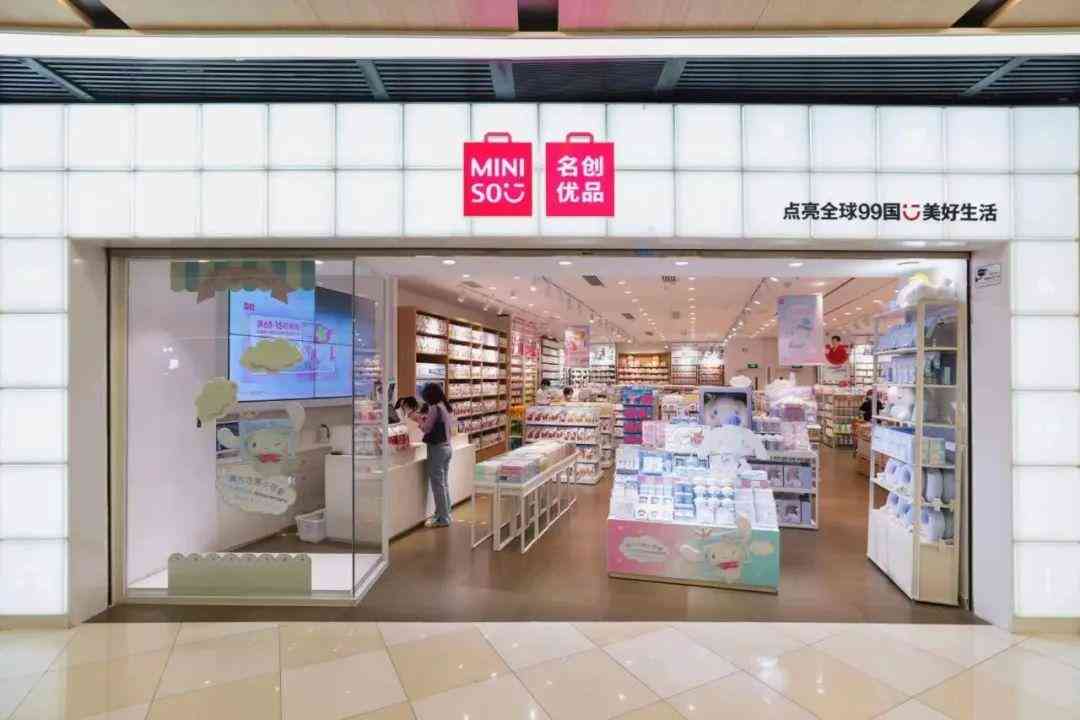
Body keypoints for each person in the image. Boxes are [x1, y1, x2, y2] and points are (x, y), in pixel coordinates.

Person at [410, 383, 455, 528]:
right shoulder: (445, 407)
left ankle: (443, 518)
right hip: (447, 448)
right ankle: (446, 513)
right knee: (443, 483)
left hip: (437, 449)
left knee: (438, 485)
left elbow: (427, 428)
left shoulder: (435, 408)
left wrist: (418, 420)